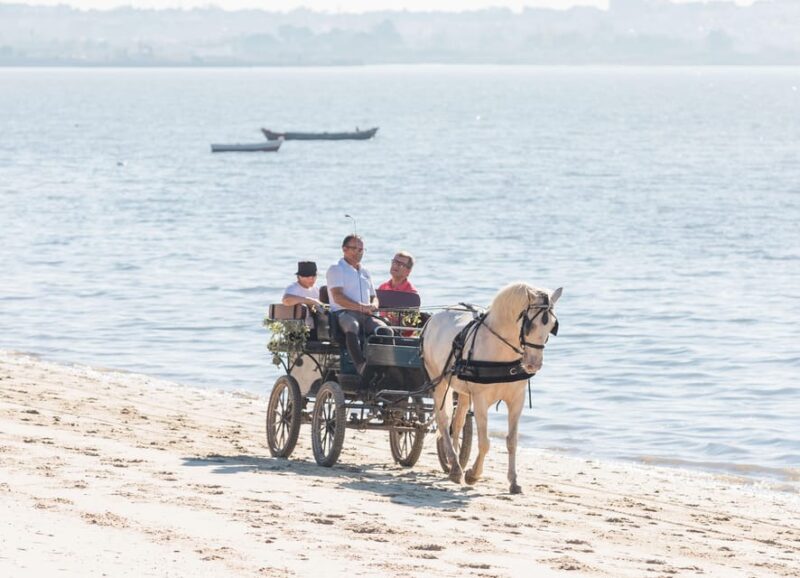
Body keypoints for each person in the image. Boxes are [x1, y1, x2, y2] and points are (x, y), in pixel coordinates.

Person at [326, 234, 385, 374]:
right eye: (355, 249)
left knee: (385, 329)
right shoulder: (336, 269)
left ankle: (384, 365)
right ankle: (360, 366)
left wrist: (373, 305)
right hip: (343, 313)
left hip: (365, 314)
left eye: (361, 249)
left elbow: (374, 297)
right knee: (352, 325)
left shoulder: (365, 271)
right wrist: (360, 306)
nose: (358, 253)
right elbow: (338, 297)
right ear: (344, 249)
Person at [282, 261, 323, 327]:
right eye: (307, 277)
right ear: (299, 277)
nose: (311, 279)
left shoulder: (316, 289)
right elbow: (286, 300)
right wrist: (308, 300)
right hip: (298, 328)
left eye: (313, 276)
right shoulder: (293, 288)